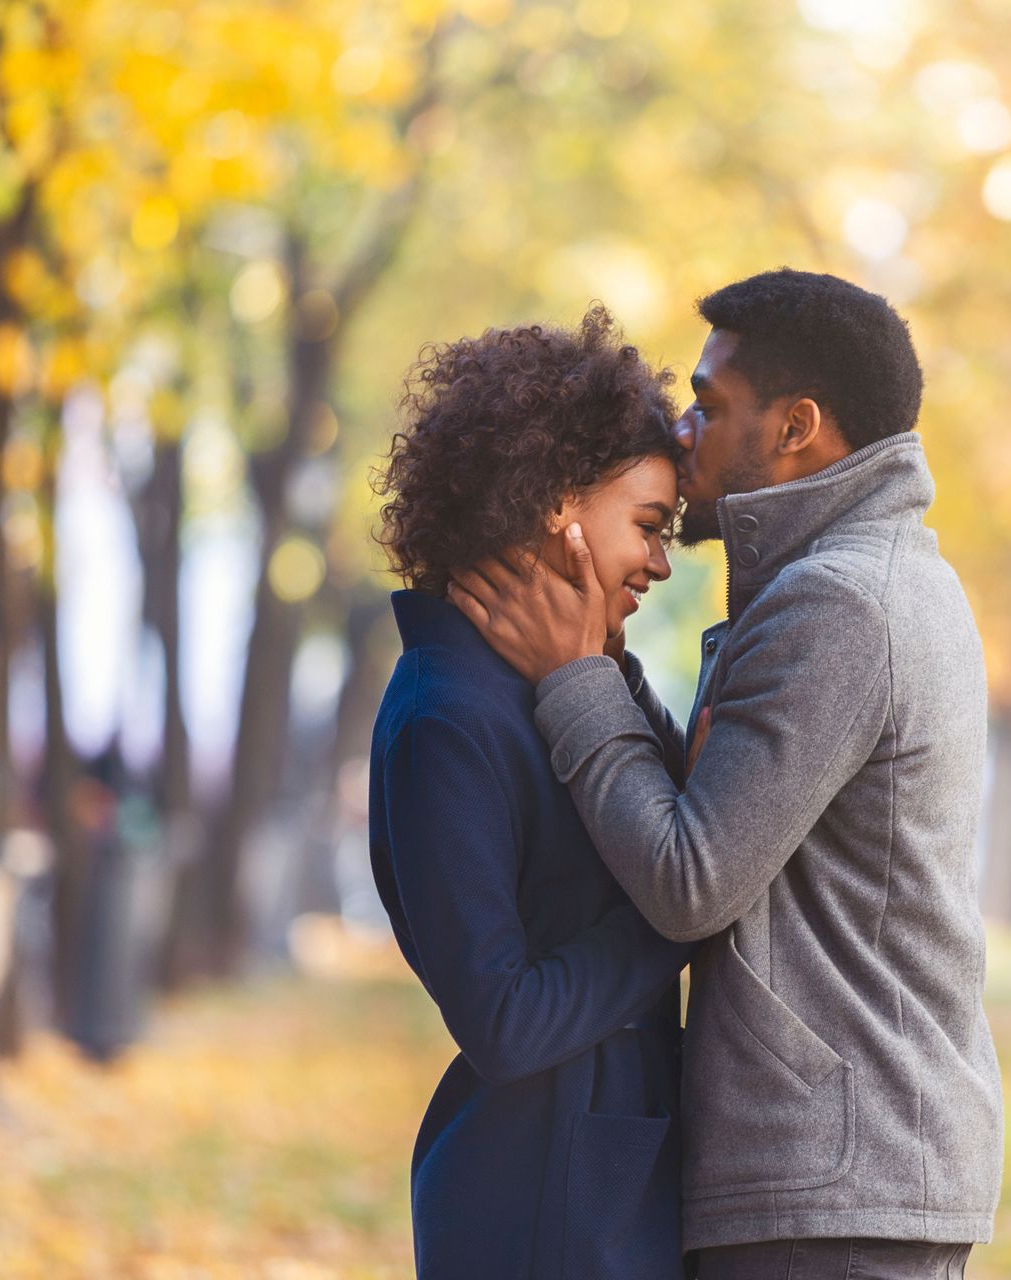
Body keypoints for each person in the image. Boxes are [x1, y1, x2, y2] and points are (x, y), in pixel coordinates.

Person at [451, 268, 1005, 1280]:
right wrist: (600, 662)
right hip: (847, 1170)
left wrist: (576, 678)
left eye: (710, 406)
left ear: (796, 426)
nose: (683, 433)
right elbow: (726, 812)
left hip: (832, 1183)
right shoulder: (864, 579)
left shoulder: (840, 606)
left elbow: (692, 877)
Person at [368, 306, 697, 1279]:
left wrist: (606, 669)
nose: (663, 560)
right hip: (542, 1205)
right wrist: (679, 911)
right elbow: (504, 1020)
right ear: (561, 503)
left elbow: (692, 808)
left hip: (595, 1182)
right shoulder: (448, 717)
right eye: (648, 523)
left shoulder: (544, 685)